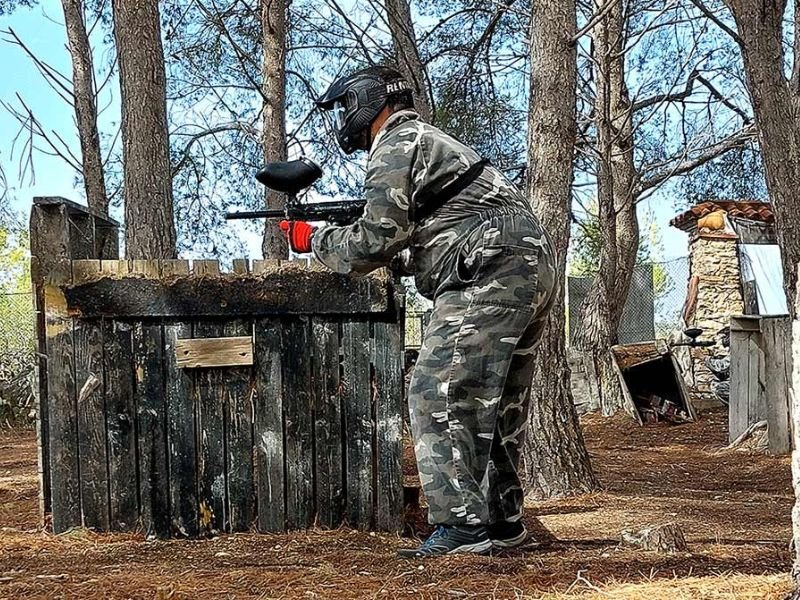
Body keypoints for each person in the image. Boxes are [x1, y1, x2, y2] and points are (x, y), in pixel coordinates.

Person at [279, 65, 557, 558]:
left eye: (346, 107)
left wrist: (313, 240)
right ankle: (501, 522)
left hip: (489, 266)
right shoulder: (428, 142)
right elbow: (428, 240)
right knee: (496, 404)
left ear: (368, 101)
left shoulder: (397, 142)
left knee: (437, 391)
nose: (344, 119)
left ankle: (462, 528)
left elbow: (374, 240)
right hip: (528, 263)